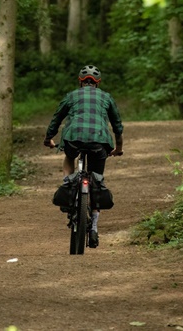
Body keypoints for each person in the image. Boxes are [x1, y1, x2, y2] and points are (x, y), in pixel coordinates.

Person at [43, 65, 124, 248]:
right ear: (98, 82)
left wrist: (49, 138)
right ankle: (94, 227)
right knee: (96, 179)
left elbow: (57, 118)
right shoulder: (106, 97)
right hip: (99, 142)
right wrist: (118, 147)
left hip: (73, 139)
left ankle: (68, 182)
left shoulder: (71, 95)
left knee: (69, 157)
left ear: (80, 81)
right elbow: (117, 124)